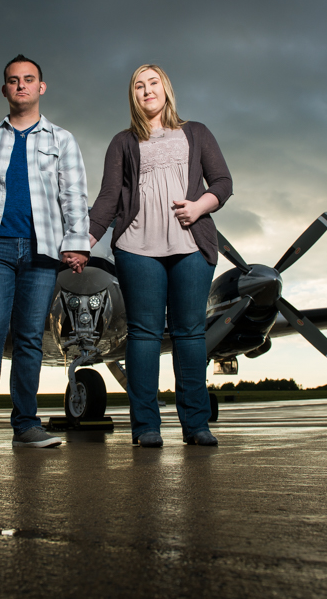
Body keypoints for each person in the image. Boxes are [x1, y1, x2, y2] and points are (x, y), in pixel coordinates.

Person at [0, 54, 90, 452]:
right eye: (13, 80)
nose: (21, 85)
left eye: (29, 79)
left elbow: (74, 195)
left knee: (29, 338)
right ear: (5, 89)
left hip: (43, 252)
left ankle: (27, 425)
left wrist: (77, 243)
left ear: (41, 87)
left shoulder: (62, 139)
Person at [88, 64, 232, 448]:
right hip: (137, 248)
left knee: (189, 334)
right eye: (139, 85)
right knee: (145, 335)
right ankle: (146, 427)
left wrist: (200, 207)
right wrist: (82, 239)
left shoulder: (196, 133)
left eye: (153, 83)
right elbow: (108, 198)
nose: (147, 90)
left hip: (190, 247)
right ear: (133, 95)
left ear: (166, 89)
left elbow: (223, 182)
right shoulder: (122, 142)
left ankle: (196, 425)